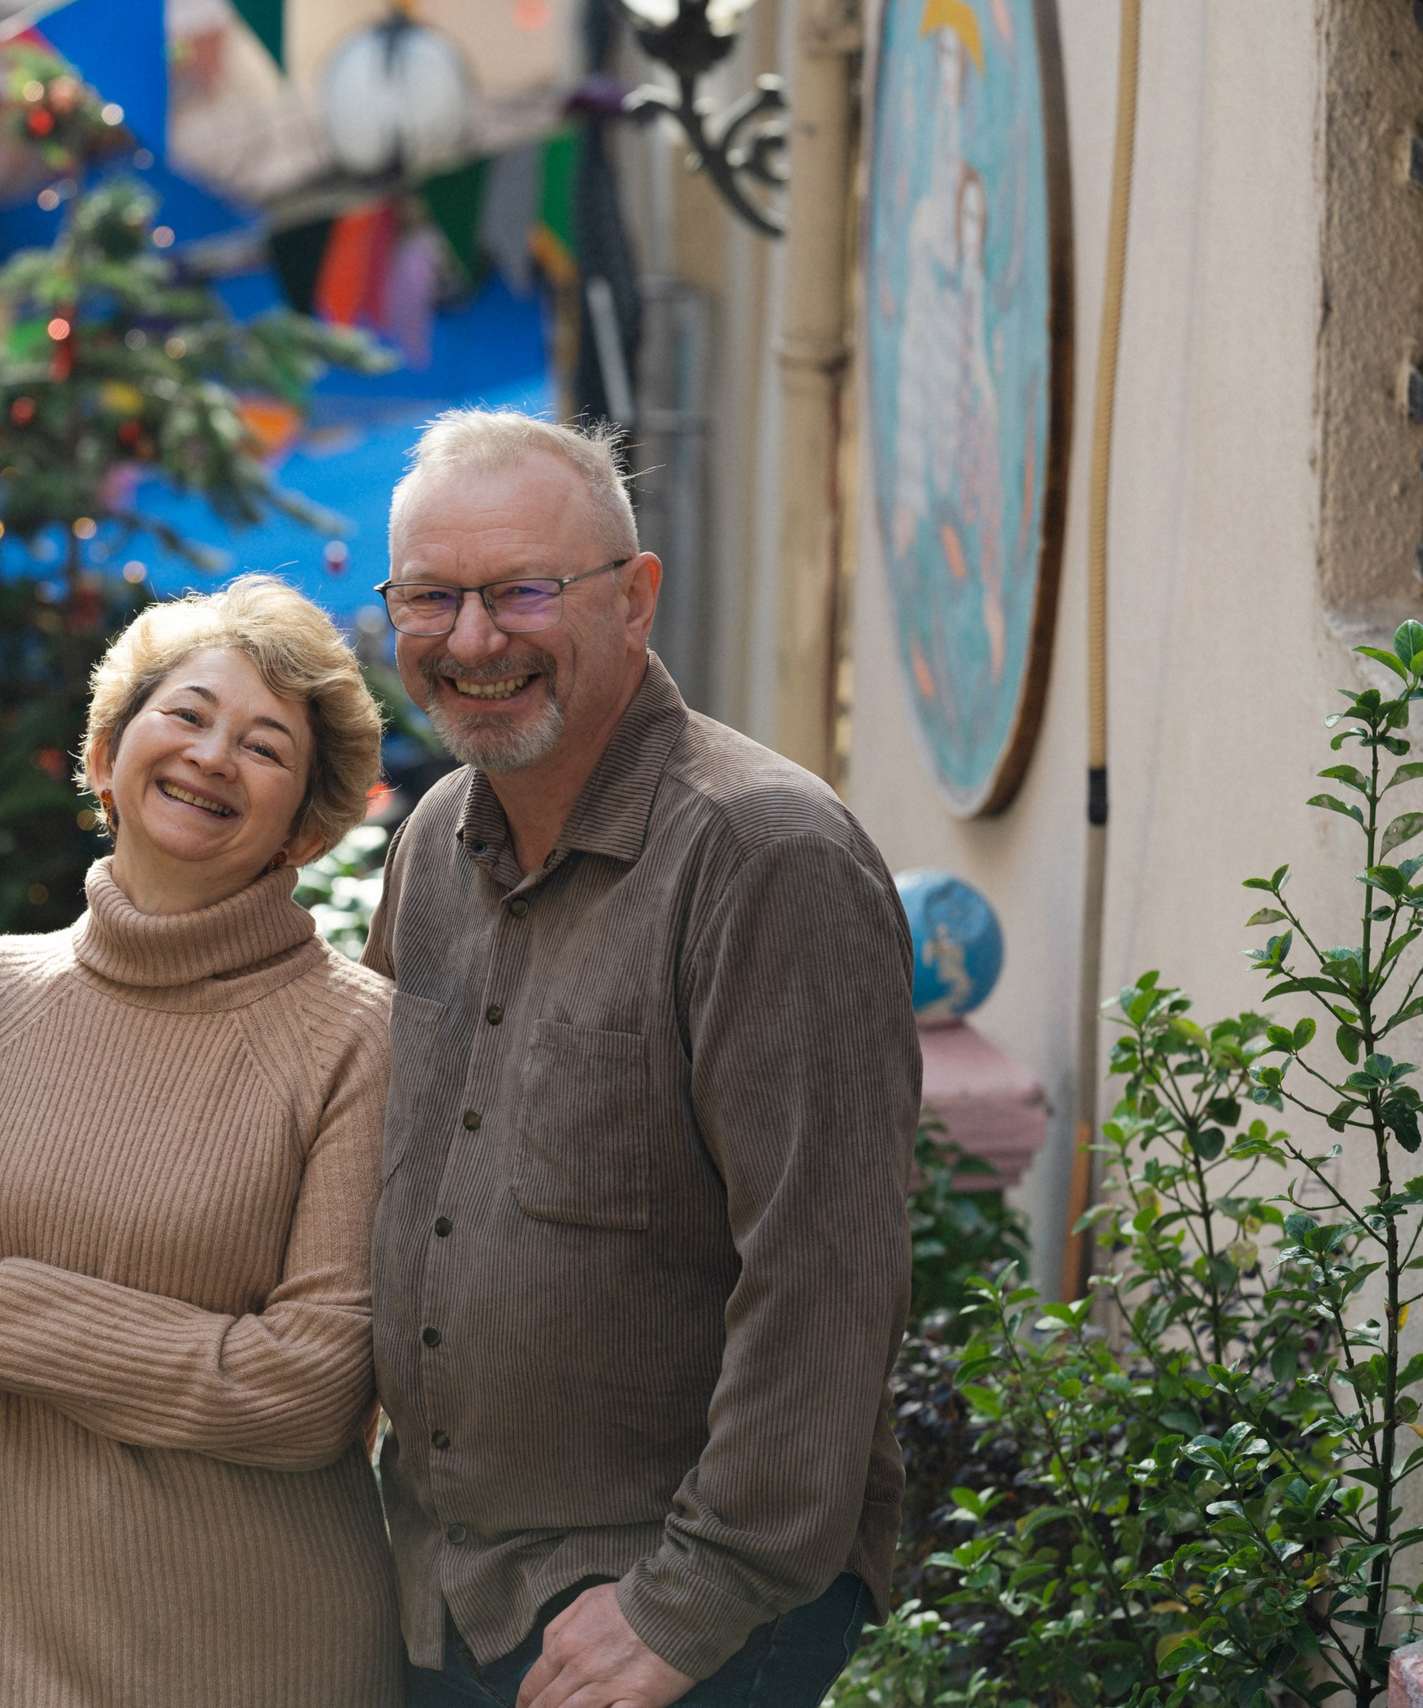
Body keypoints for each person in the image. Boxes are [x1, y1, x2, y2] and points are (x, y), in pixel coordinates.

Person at [358, 411, 916, 1708]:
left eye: (524, 591)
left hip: (674, 1633)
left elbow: (827, 1271)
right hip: (449, 1602)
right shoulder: (436, 839)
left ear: (636, 599)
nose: (475, 639)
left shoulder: (767, 857)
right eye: (432, 597)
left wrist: (691, 1603)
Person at [0, 575, 406, 1708]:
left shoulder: (357, 1035)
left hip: (259, 1653)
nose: (211, 756)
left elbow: (313, 1389)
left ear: (307, 820)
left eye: (265, 745)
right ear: (108, 751)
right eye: (186, 714)